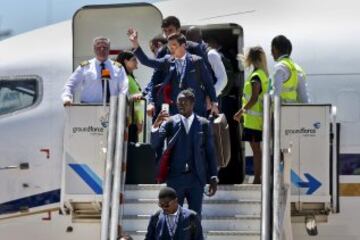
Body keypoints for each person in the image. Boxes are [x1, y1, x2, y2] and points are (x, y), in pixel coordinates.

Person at [151, 89, 218, 216]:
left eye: (184, 102)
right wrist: (156, 125)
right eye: (178, 102)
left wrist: (213, 176)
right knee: (172, 217)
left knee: (195, 217)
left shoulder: (203, 124)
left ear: (192, 104)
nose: (180, 105)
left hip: (196, 179)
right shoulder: (170, 122)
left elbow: (210, 152)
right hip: (175, 178)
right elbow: (155, 144)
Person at [128, 29, 219, 117]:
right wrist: (135, 44)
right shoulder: (168, 61)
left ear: (183, 45)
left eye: (174, 45)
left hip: (196, 109)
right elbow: (146, 61)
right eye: (169, 46)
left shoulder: (197, 61)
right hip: (176, 111)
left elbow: (208, 83)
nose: (171, 48)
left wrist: (214, 104)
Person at [145, 16, 211, 118]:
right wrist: (150, 101)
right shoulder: (162, 52)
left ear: (179, 30)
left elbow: (207, 76)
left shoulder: (194, 48)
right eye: (165, 31)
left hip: (194, 105)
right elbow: (155, 79)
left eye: (170, 30)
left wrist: (208, 96)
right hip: (171, 106)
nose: (168, 34)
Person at [233, 46, 269, 184]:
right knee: (258, 150)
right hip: (258, 120)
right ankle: (259, 177)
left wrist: (240, 111)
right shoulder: (262, 74)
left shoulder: (255, 77)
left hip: (254, 122)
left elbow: (254, 98)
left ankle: (257, 178)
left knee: (256, 151)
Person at [62, 36, 128, 106]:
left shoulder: (118, 68)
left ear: (109, 49)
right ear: (94, 49)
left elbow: (124, 87)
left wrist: (120, 103)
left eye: (105, 47)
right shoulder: (85, 67)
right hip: (89, 108)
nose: (102, 50)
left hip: (112, 108)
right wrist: (67, 97)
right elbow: (70, 84)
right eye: (98, 48)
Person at [186, 26, 228, 97]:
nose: (190, 41)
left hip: (210, 101)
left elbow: (223, 79)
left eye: (192, 37)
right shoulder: (189, 53)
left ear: (200, 37)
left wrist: (210, 96)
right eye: (188, 38)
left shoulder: (211, 54)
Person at [270, 35, 309, 103]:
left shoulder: (280, 68)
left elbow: (275, 96)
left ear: (274, 49)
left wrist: (263, 99)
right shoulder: (299, 70)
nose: (271, 53)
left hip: (281, 111)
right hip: (294, 112)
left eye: (272, 50)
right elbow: (304, 99)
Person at [116, 51, 144, 137]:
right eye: (134, 60)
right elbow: (122, 98)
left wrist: (140, 120)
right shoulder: (122, 78)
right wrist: (137, 120)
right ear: (125, 61)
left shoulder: (132, 78)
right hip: (128, 121)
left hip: (135, 119)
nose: (137, 62)